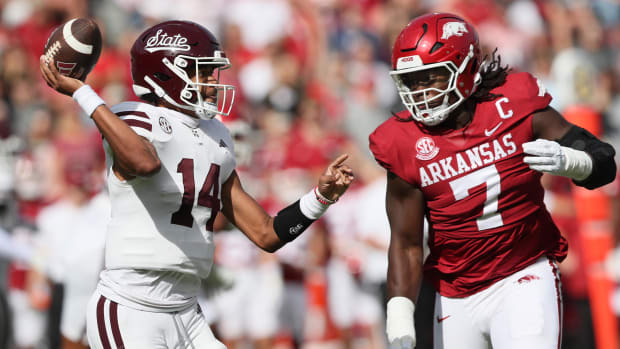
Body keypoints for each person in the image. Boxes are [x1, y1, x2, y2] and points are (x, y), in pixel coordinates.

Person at [39, 20, 354, 348]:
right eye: (201, 73)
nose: (211, 83)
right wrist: (83, 93)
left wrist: (320, 198)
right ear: (164, 75)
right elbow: (145, 163)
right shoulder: (131, 117)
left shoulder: (216, 136)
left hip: (187, 311)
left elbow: (266, 233)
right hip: (132, 307)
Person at [368, 13, 616, 349]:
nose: (420, 92)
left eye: (431, 77)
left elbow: (604, 163)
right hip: (455, 293)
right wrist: (399, 316)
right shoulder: (402, 141)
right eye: (412, 81)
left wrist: (574, 161)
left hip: (523, 275)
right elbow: (407, 241)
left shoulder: (513, 103)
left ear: (466, 69)